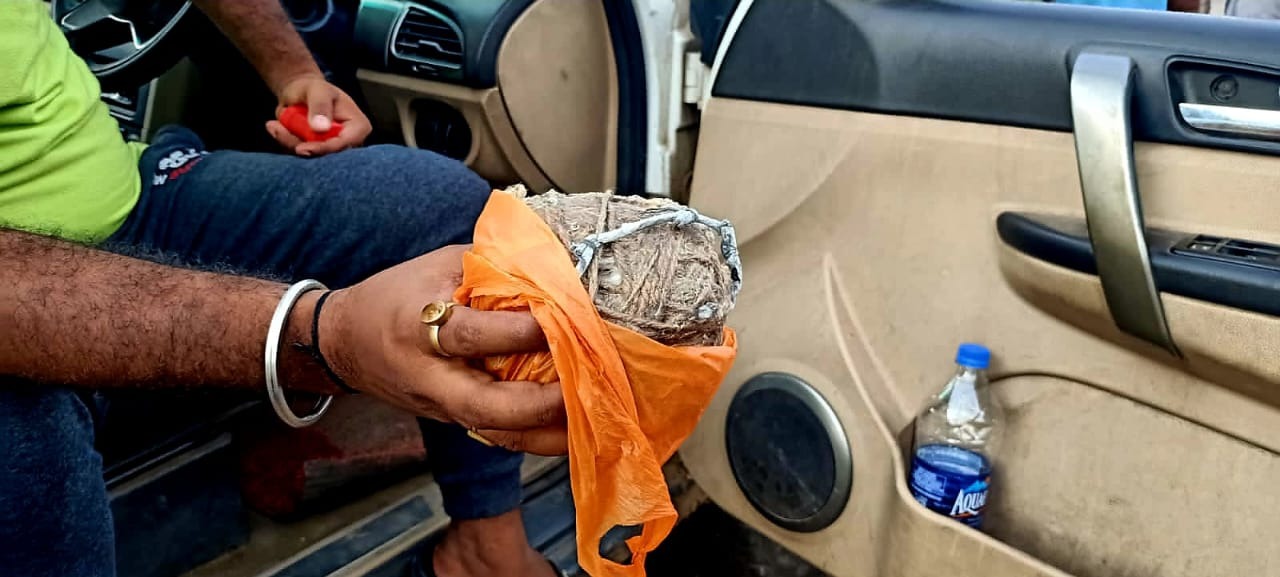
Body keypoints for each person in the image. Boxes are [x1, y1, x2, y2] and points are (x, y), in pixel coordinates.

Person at [0, 2, 564, 576]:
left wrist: (294, 74)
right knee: (25, 434)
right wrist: (322, 336)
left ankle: (483, 551)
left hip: (126, 190)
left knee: (442, 208)